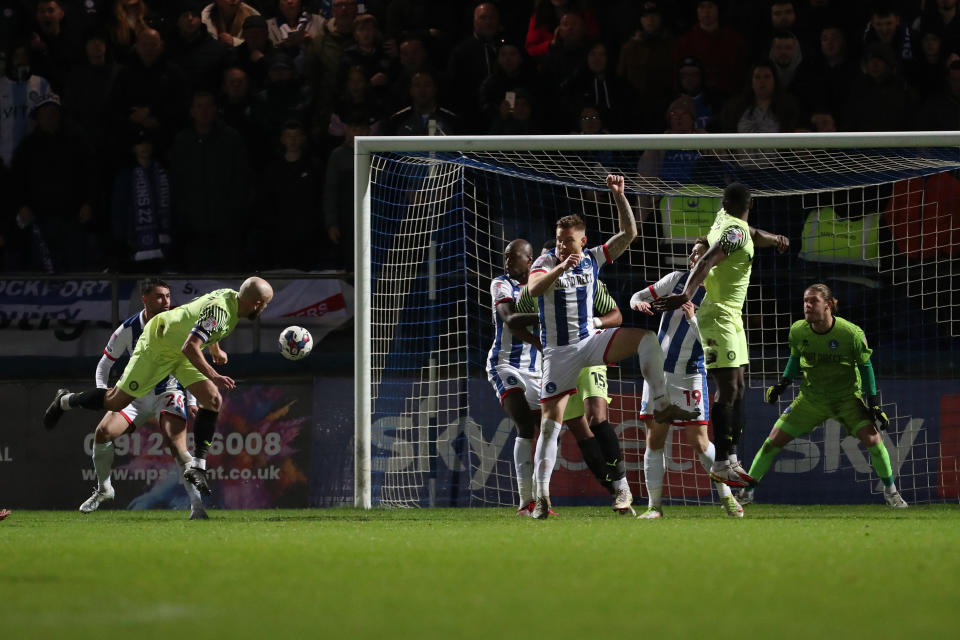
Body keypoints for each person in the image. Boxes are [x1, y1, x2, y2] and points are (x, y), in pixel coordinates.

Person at [526, 174, 697, 519]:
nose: (561, 246)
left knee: (646, 339)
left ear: (582, 240)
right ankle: (540, 499)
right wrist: (559, 265)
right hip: (558, 354)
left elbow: (629, 235)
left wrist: (619, 196)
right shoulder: (545, 262)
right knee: (550, 426)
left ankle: (662, 403)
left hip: (590, 343)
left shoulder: (591, 258)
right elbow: (532, 291)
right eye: (559, 241)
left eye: (568, 241)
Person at [42, 277, 275, 496]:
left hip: (178, 352)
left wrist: (215, 349)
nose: (264, 308)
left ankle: (198, 467)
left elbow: (202, 321)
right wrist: (214, 375)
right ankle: (65, 400)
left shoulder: (232, 298)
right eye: (265, 304)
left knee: (212, 399)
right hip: (157, 345)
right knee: (115, 401)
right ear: (256, 303)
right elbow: (191, 347)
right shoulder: (221, 311)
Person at [653, 183, 789, 488]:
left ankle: (731, 459)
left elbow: (754, 234)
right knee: (728, 387)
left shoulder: (727, 222)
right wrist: (686, 293)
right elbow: (706, 260)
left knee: (739, 386)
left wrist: (775, 239)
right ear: (750, 204)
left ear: (724, 203)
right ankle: (722, 462)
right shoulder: (735, 233)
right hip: (717, 316)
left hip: (732, 317)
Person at [738, 283, 908, 509]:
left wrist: (874, 404)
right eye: (805, 301)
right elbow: (795, 357)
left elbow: (866, 367)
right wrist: (783, 383)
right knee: (771, 443)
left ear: (827, 305)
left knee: (875, 442)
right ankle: (745, 493)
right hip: (811, 399)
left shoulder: (850, 333)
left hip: (846, 399)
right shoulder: (798, 330)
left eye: (813, 301)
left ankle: (891, 493)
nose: (807, 306)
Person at [511, 239, 634, 515]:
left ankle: (623, 487)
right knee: (577, 429)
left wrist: (596, 322)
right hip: (558, 358)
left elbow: (616, 314)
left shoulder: (587, 278)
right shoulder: (539, 284)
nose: (549, 263)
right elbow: (517, 316)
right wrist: (543, 328)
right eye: (545, 260)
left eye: (551, 258)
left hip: (588, 350)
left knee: (597, 417)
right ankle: (613, 492)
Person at [630, 237, 743, 519]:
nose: (693, 260)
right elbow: (640, 295)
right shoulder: (677, 279)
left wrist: (693, 320)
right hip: (658, 374)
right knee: (655, 439)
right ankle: (654, 507)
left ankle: (728, 498)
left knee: (700, 442)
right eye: (692, 255)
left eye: (700, 256)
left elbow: (714, 345)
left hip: (690, 375)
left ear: (713, 262)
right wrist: (638, 303)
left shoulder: (720, 297)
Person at [77, 277, 208, 520]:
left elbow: (188, 361)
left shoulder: (177, 325)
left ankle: (197, 507)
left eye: (168, 296)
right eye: (160, 296)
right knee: (102, 433)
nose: (166, 302)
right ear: (145, 299)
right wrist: (102, 393)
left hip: (169, 392)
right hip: (134, 395)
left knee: (177, 446)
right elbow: (104, 364)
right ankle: (105, 489)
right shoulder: (128, 329)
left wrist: (191, 400)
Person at [486, 238, 548, 516]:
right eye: (506, 256)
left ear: (530, 258)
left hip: (536, 370)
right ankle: (525, 502)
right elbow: (509, 318)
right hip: (504, 366)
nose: (508, 260)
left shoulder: (540, 284)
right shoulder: (501, 284)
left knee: (547, 431)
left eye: (515, 256)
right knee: (523, 422)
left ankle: (541, 498)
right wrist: (549, 317)